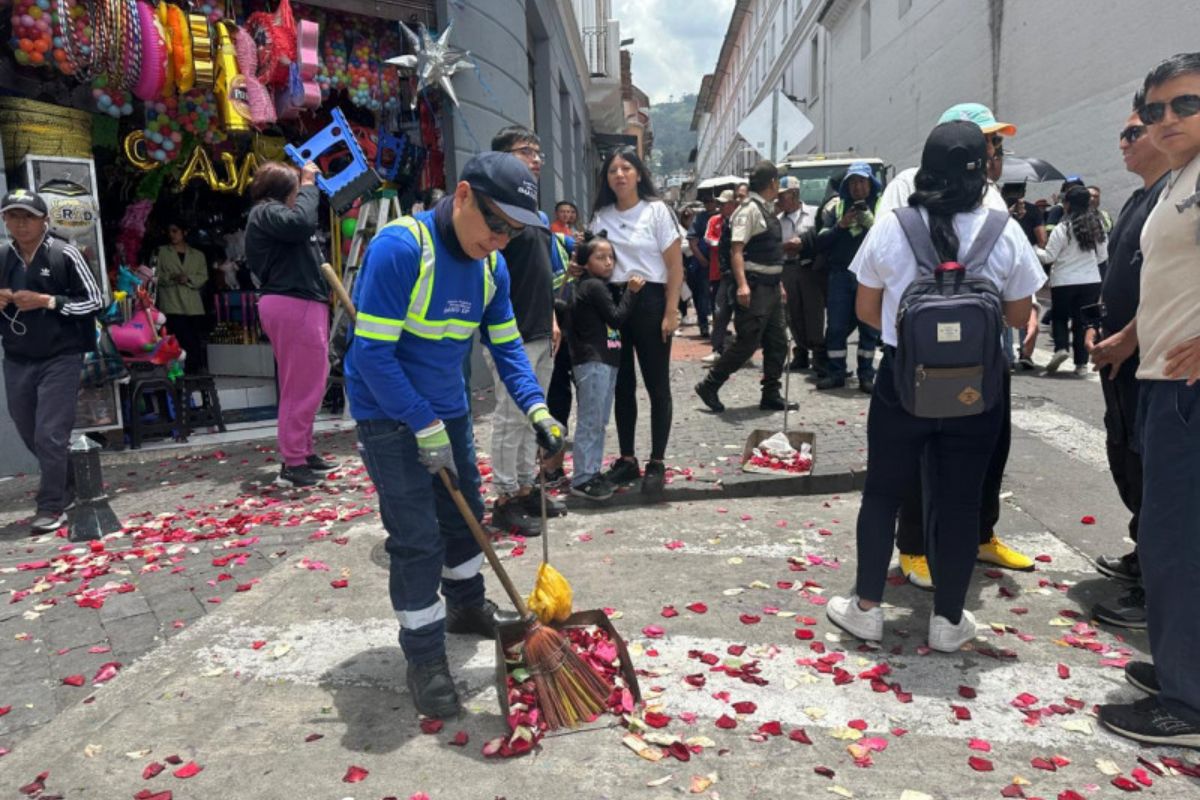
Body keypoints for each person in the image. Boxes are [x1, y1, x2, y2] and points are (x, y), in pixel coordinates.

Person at [344, 151, 565, 719]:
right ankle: (424, 656)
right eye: (494, 223)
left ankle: (466, 606)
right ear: (463, 194)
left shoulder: (493, 268)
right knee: (417, 537)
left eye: (512, 232)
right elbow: (371, 356)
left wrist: (538, 410)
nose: (498, 239)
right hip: (388, 415)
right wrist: (421, 423)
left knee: (463, 515)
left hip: (449, 412)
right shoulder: (401, 249)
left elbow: (509, 348)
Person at [827, 121, 1044, 651]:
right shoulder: (1004, 229)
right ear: (981, 170)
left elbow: (866, 312)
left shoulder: (893, 225)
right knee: (961, 501)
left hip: (903, 385)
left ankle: (867, 610)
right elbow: (1018, 316)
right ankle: (949, 621)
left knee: (882, 494)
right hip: (977, 392)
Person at [1097, 52, 1200, 748]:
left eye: (1184, 106)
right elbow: (1168, 277)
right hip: (1160, 380)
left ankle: (1187, 707)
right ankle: (1181, 668)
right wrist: (1131, 336)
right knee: (1169, 540)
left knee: (1177, 545)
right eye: (1156, 109)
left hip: (1189, 393)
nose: (1166, 122)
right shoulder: (1178, 182)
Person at [889, 102, 1036, 587]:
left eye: (996, 143)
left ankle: (979, 535)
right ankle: (914, 546)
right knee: (920, 454)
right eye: (989, 142)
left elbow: (1019, 302)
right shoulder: (904, 194)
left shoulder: (996, 203)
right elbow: (879, 289)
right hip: (919, 360)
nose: (996, 152)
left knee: (989, 452)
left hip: (985, 359)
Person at [1087, 96, 1172, 631]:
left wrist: (1127, 337)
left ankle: (1158, 589)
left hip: (1150, 361)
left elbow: (1171, 290)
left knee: (1154, 470)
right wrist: (1099, 326)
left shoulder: (1174, 200)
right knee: (1125, 458)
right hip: (1117, 359)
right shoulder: (1137, 201)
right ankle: (1143, 556)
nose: (1123, 142)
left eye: (1132, 133)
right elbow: (1117, 274)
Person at [0, 189, 103, 533]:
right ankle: (72, 484)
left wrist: (47, 301)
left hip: (62, 355)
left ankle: (51, 505)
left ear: (44, 220)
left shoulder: (65, 253)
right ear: (4, 220)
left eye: (28, 216)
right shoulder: (2, 257)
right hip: (17, 357)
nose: (21, 223)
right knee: (28, 428)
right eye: (13, 216)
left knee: (50, 432)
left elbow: (94, 300)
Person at [590, 146, 683, 497]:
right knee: (622, 385)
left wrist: (671, 311)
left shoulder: (657, 211)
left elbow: (675, 265)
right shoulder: (601, 216)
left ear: (639, 174)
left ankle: (657, 460)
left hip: (651, 301)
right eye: (613, 170)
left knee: (657, 384)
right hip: (614, 302)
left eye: (626, 168)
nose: (619, 175)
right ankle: (627, 458)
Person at [488, 127, 566, 536]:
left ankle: (524, 489)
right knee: (508, 416)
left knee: (531, 418)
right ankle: (504, 497)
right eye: (525, 152)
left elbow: (546, 276)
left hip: (540, 329)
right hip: (509, 334)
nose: (536, 159)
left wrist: (553, 319)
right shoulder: (495, 211)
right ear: (501, 158)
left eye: (538, 153)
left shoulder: (536, 214)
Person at [244, 161, 336, 488]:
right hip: (294, 304)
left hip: (299, 303)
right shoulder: (266, 212)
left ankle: (303, 451)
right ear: (286, 189)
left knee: (308, 381)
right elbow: (301, 223)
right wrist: (310, 184)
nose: (301, 193)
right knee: (302, 385)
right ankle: (294, 460)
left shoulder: (269, 216)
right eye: (296, 187)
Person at [694, 160, 795, 413]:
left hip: (770, 286)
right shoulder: (748, 210)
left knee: (778, 342)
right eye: (777, 181)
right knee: (747, 343)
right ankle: (710, 384)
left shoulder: (765, 208)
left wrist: (778, 283)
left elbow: (769, 254)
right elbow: (737, 250)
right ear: (772, 183)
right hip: (755, 287)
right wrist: (741, 285)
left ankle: (770, 393)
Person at [558, 232, 643, 500]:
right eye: (600, 257)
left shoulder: (593, 286)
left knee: (598, 421)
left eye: (611, 257)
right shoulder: (592, 287)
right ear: (585, 261)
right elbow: (616, 318)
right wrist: (632, 292)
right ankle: (583, 477)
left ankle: (591, 473)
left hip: (604, 361)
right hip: (594, 361)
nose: (608, 262)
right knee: (591, 422)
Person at [814, 161, 882, 392]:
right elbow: (820, 241)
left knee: (869, 327)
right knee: (836, 327)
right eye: (852, 182)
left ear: (870, 184)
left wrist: (871, 223)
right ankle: (836, 373)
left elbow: (889, 240)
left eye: (861, 181)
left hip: (869, 276)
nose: (857, 187)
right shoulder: (836, 208)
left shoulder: (882, 206)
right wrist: (840, 226)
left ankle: (866, 375)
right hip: (841, 275)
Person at [1037, 185, 1105, 376]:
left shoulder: (1062, 228)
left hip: (1064, 281)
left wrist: (1034, 250)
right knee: (1082, 323)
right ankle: (1081, 365)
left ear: (1067, 205)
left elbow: (1049, 256)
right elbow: (1102, 256)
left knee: (1059, 317)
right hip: (1091, 280)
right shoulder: (1097, 226)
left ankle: (1061, 349)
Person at [777, 175, 826, 374]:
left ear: (795, 194)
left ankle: (819, 355)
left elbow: (821, 241)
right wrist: (785, 247)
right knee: (792, 312)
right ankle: (801, 353)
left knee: (813, 312)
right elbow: (774, 248)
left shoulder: (814, 215)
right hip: (787, 269)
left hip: (810, 270)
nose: (779, 201)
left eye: (783, 196)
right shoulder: (778, 222)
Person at [154, 221, 209, 375]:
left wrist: (189, 278)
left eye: (175, 231)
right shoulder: (162, 252)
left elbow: (203, 276)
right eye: (169, 232)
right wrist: (172, 277)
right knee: (177, 339)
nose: (172, 235)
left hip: (192, 304)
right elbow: (155, 275)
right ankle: (178, 372)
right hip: (172, 303)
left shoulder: (198, 255)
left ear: (184, 232)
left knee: (193, 340)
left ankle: (194, 370)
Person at [701, 190, 738, 364]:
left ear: (733, 204)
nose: (721, 206)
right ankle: (718, 348)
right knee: (719, 310)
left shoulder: (741, 220)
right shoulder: (715, 220)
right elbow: (708, 239)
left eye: (724, 203)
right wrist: (723, 243)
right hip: (720, 273)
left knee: (743, 313)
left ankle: (740, 350)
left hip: (742, 273)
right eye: (720, 204)